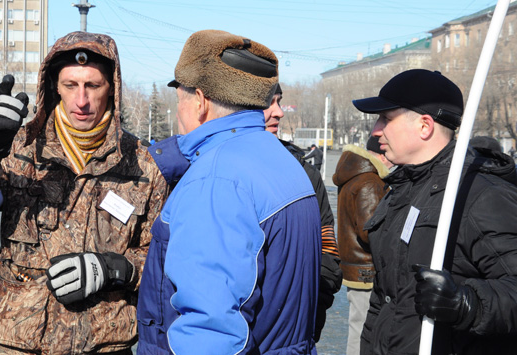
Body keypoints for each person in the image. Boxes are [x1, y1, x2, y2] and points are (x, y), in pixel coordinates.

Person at [0, 31, 168, 355]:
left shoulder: (143, 166)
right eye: (71, 85)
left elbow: (164, 258)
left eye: (93, 85)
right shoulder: (19, 148)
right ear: (54, 87)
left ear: (112, 88)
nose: (82, 100)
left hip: (102, 344)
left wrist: (114, 268)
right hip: (16, 342)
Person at [137, 30, 322, 354]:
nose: (179, 111)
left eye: (179, 99)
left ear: (200, 101)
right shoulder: (280, 159)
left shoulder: (216, 179)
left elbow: (210, 334)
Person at [352, 69, 517, 355]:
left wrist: (467, 304)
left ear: (425, 126)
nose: (375, 131)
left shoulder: (480, 195)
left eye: (386, 119)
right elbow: (385, 300)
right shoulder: (401, 190)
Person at [263, 83, 342, 342]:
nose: (279, 112)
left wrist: (310, 309)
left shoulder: (305, 174)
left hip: (295, 333)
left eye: (279, 101)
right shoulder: (210, 167)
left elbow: (327, 250)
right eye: (268, 103)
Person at [332, 135, 393, 355]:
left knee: (357, 326)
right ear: (381, 154)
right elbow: (370, 231)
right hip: (367, 270)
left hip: (355, 267)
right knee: (362, 330)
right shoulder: (370, 182)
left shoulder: (353, 176)